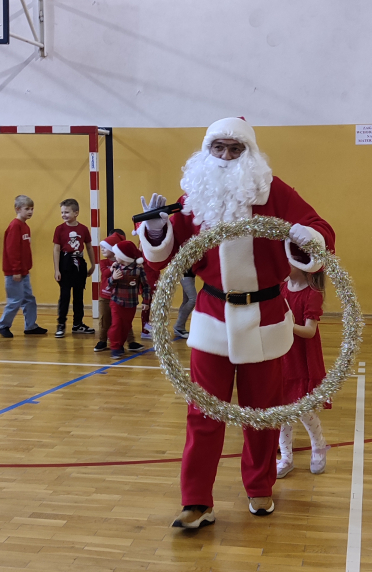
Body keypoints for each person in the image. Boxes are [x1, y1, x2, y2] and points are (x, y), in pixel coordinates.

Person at [138, 117, 334, 529]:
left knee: (261, 412)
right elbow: (166, 257)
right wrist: (156, 231)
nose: (226, 156)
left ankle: (260, 487)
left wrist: (305, 238)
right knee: (202, 413)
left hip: (265, 318)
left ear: (250, 152)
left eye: (235, 148)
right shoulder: (196, 195)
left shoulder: (274, 192)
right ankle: (196, 501)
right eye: (219, 148)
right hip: (212, 318)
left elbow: (320, 231)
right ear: (207, 150)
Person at [276, 251, 330, 477]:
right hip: (282, 356)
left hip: (302, 359)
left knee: (303, 409)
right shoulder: (281, 287)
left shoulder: (312, 293)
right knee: (282, 411)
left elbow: (309, 331)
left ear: (303, 265)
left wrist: (287, 325)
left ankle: (319, 446)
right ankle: (286, 457)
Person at [0, 195, 47, 338]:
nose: (30, 211)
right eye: (27, 209)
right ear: (17, 209)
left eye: (32, 209)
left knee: (29, 298)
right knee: (15, 300)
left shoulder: (25, 227)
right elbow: (12, 250)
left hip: (24, 271)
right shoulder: (15, 226)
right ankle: (3, 325)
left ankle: (30, 326)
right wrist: (16, 270)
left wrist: (25, 268)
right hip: (14, 272)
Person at [52, 198, 95, 337]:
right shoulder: (59, 229)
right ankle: (61, 324)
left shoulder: (83, 229)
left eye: (66, 212)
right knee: (65, 296)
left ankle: (78, 324)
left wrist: (93, 264)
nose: (63, 215)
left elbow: (89, 247)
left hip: (79, 263)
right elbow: (56, 249)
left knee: (79, 296)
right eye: (62, 212)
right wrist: (57, 269)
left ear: (76, 213)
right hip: (65, 263)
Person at [107, 239, 148, 359]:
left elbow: (146, 286)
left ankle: (120, 344)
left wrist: (146, 301)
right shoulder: (116, 267)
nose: (115, 257)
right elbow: (109, 285)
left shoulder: (138, 269)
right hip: (117, 302)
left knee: (126, 326)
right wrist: (113, 278)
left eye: (117, 254)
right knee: (116, 324)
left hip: (131, 304)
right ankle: (115, 346)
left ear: (124, 257)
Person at [94, 229, 126, 352]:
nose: (102, 250)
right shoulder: (103, 262)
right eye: (102, 248)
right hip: (105, 296)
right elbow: (105, 273)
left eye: (105, 247)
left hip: (118, 296)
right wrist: (111, 269)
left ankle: (129, 341)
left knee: (121, 321)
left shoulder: (122, 261)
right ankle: (102, 341)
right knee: (104, 320)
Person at [172, 269, 196, 340]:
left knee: (187, 300)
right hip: (185, 274)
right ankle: (178, 326)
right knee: (193, 299)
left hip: (190, 274)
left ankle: (180, 327)